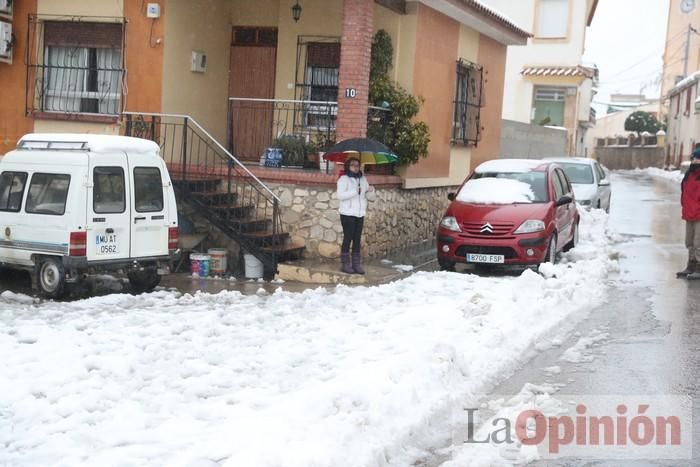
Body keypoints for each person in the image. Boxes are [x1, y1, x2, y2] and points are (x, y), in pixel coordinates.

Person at [336, 157, 375, 274]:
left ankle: (356, 264)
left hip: (359, 213)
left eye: (357, 165)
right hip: (347, 213)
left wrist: (371, 190)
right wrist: (355, 191)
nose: (356, 167)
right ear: (348, 166)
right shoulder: (343, 179)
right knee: (348, 238)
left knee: (357, 239)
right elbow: (340, 195)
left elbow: (370, 197)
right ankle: (345, 264)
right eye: (353, 165)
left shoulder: (363, 179)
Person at [678, 148, 700, 280]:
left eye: (697, 158)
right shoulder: (689, 174)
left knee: (698, 242)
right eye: (694, 158)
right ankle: (691, 265)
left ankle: (699, 267)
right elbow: (684, 191)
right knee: (689, 241)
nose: (695, 160)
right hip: (689, 213)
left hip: (699, 214)